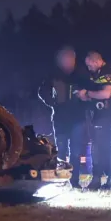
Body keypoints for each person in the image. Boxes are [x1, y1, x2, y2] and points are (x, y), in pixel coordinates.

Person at [38, 46, 90, 189]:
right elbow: (42, 91)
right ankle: (61, 180)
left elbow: (90, 91)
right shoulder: (53, 75)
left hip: (78, 118)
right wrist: (53, 103)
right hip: (60, 117)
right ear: (59, 60)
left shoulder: (81, 75)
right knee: (60, 150)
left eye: (70, 58)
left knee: (76, 151)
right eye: (65, 58)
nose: (68, 61)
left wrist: (85, 100)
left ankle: (74, 181)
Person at [76, 51, 111, 191]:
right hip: (97, 115)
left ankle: (105, 178)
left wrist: (87, 93)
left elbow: (106, 93)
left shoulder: (108, 73)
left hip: (105, 115)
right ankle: (106, 179)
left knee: (102, 147)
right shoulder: (96, 74)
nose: (89, 68)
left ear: (96, 61)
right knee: (100, 147)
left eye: (90, 65)